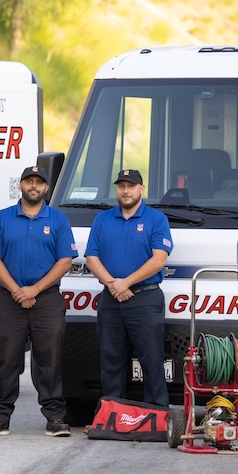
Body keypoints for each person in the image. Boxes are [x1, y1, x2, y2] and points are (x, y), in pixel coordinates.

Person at [0, 166, 77, 437]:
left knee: (50, 360)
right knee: (6, 360)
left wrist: (34, 289)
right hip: (9, 300)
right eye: (29, 181)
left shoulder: (57, 220)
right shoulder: (2, 218)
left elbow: (65, 261)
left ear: (46, 188)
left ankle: (55, 418)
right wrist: (17, 290)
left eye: (39, 182)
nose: (34, 186)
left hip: (46, 300)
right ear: (20, 185)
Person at [84, 169, 173, 407]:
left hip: (144, 298)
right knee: (111, 360)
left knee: (152, 361)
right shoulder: (102, 219)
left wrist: (126, 282)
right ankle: (114, 415)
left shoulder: (156, 219)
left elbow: (159, 259)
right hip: (111, 300)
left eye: (131, 186)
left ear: (141, 189)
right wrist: (113, 284)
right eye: (121, 186)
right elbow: (91, 257)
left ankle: (157, 416)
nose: (125, 191)